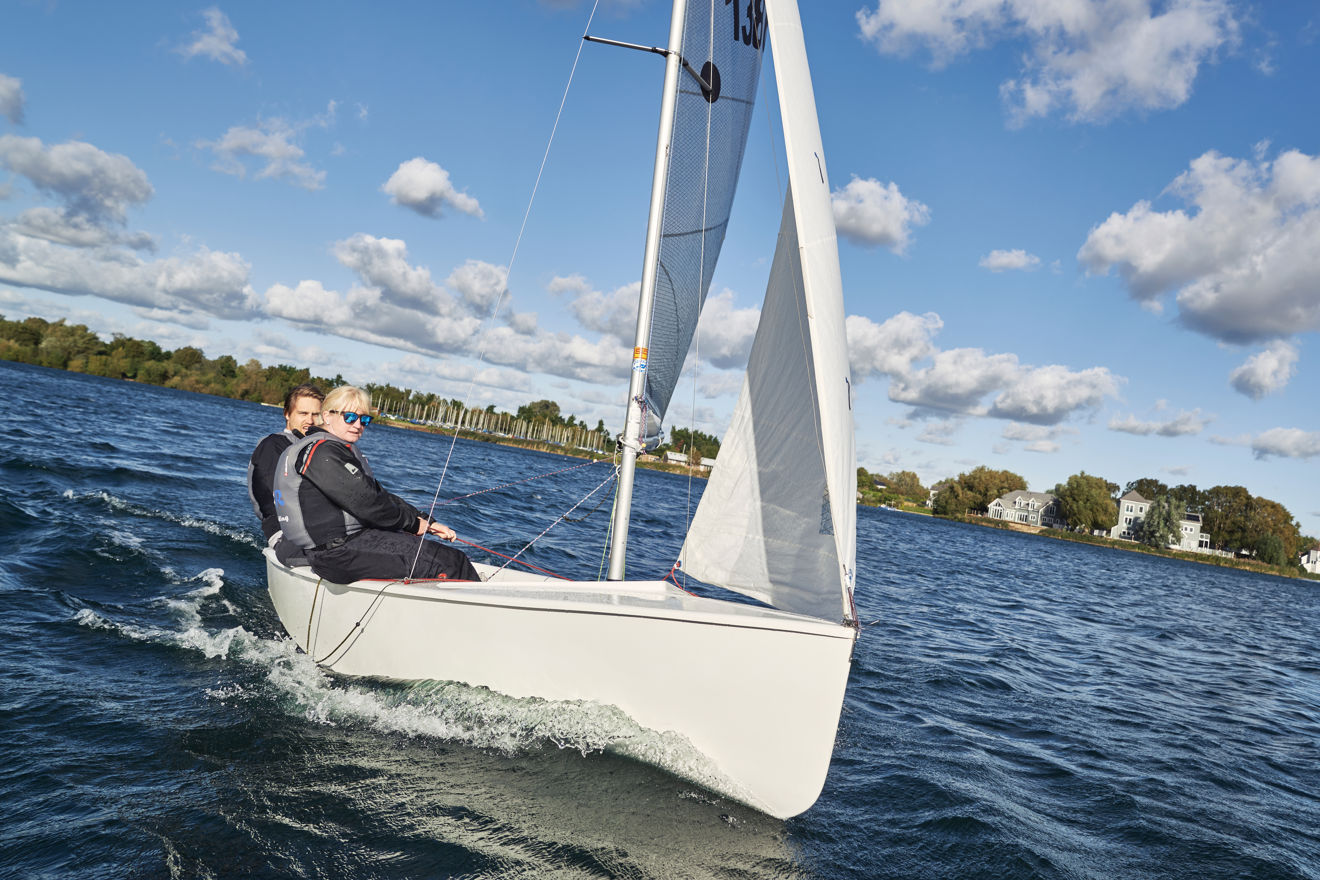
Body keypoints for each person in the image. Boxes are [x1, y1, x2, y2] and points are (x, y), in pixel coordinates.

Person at [273, 385, 479, 583]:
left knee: (437, 554)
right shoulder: (322, 453)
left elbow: (378, 494)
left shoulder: (331, 449)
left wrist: (428, 522)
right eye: (350, 417)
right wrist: (414, 525)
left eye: (365, 419)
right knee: (453, 562)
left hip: (344, 546)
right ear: (327, 416)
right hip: (337, 554)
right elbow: (367, 503)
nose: (357, 425)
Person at [248, 383, 324, 543]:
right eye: (303, 413)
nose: (310, 420)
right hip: (287, 533)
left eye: (315, 414)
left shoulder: (319, 448)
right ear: (287, 414)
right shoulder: (272, 445)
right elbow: (274, 496)